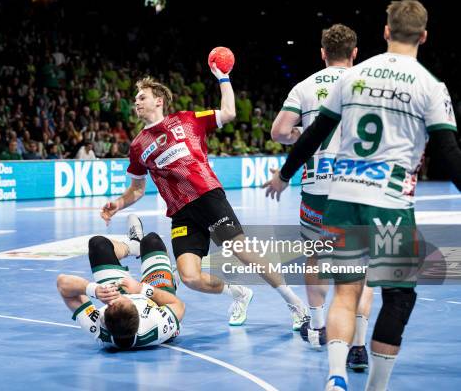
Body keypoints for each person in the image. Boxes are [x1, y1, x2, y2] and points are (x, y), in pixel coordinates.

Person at [264, 0, 461, 391]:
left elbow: (313, 134)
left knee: (345, 291)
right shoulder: (430, 86)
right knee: (398, 295)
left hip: (343, 199)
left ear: (385, 31)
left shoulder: (350, 79)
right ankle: (375, 386)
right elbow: (448, 154)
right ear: (423, 36)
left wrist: (285, 176)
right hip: (390, 204)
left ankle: (335, 377)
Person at [101, 64, 308, 327]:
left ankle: (294, 303)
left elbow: (230, 112)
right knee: (189, 277)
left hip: (207, 196)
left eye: (141, 97)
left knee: (242, 252)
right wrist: (117, 204)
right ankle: (238, 293)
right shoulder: (137, 145)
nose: (136, 103)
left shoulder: (188, 120)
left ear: (158, 100)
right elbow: (137, 189)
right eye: (135, 100)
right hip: (181, 212)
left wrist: (223, 77)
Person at [271, 24, 374, 366]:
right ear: (354, 53)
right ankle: (358, 345)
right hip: (359, 187)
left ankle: (317, 327)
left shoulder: (305, 86)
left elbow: (280, 132)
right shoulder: (370, 83)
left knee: (314, 258)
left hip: (317, 188)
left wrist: (303, 132)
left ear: (322, 53)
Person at [57, 215, 184, 349]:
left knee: (98, 244)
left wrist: (93, 290)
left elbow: (62, 284)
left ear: (104, 320)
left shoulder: (98, 327)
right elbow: (178, 305)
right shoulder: (157, 324)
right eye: (123, 299)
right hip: (155, 300)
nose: (119, 296)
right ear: (136, 309)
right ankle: (171, 279)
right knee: (152, 241)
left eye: (113, 301)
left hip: (128, 296)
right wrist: (141, 289)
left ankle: (134, 245)